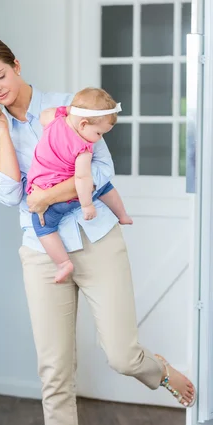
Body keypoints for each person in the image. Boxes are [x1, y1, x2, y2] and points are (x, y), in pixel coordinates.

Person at [0, 37, 196, 425]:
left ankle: (158, 370)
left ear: (17, 65)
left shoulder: (69, 107)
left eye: (0, 75)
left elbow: (102, 172)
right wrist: (4, 131)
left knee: (120, 354)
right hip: (43, 252)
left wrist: (48, 197)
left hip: (96, 241)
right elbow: (11, 195)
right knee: (54, 369)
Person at [27, 87, 132, 283]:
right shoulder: (82, 147)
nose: (100, 138)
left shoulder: (54, 120)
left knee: (42, 227)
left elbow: (43, 116)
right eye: (99, 132)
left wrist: (67, 111)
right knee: (104, 187)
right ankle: (122, 215)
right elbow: (83, 179)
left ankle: (62, 263)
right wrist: (86, 205)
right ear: (83, 124)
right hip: (69, 199)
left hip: (44, 193)